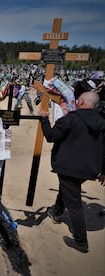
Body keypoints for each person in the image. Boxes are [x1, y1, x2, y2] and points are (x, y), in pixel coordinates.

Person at [39, 91, 105, 253]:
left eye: (77, 100)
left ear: (81, 103)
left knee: (74, 205)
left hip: (69, 168)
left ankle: (81, 242)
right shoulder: (102, 122)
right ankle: (57, 210)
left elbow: (51, 136)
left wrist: (44, 119)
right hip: (89, 169)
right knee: (69, 188)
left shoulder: (70, 119)